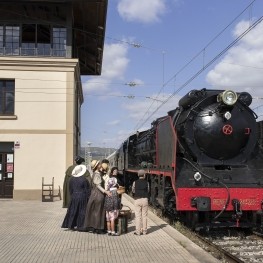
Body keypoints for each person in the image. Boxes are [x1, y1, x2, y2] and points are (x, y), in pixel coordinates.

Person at [83, 160, 111, 234]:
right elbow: (98, 185)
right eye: (99, 164)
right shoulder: (97, 174)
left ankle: (94, 227)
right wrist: (105, 191)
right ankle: (98, 228)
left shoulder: (96, 173)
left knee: (94, 211)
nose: (100, 165)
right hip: (98, 194)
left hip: (94, 194)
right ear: (96, 166)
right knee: (99, 211)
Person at [61, 164, 91, 231]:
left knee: (72, 211)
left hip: (74, 196)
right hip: (82, 197)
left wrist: (73, 195)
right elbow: (87, 189)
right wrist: (87, 197)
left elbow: (70, 189)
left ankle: (70, 225)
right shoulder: (84, 180)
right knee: (82, 211)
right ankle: (81, 226)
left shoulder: (71, 179)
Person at [104, 167, 121, 236]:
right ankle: (113, 231)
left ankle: (109, 231)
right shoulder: (115, 192)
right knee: (112, 219)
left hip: (108, 208)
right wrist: (117, 207)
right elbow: (116, 201)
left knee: (108, 220)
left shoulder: (107, 192)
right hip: (113, 207)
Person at [132, 169, 149, 236]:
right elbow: (148, 190)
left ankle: (138, 232)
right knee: (144, 216)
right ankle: (144, 231)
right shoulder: (147, 182)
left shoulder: (135, 182)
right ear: (144, 175)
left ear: (138, 175)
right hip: (145, 199)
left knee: (138, 216)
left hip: (137, 199)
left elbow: (133, 190)